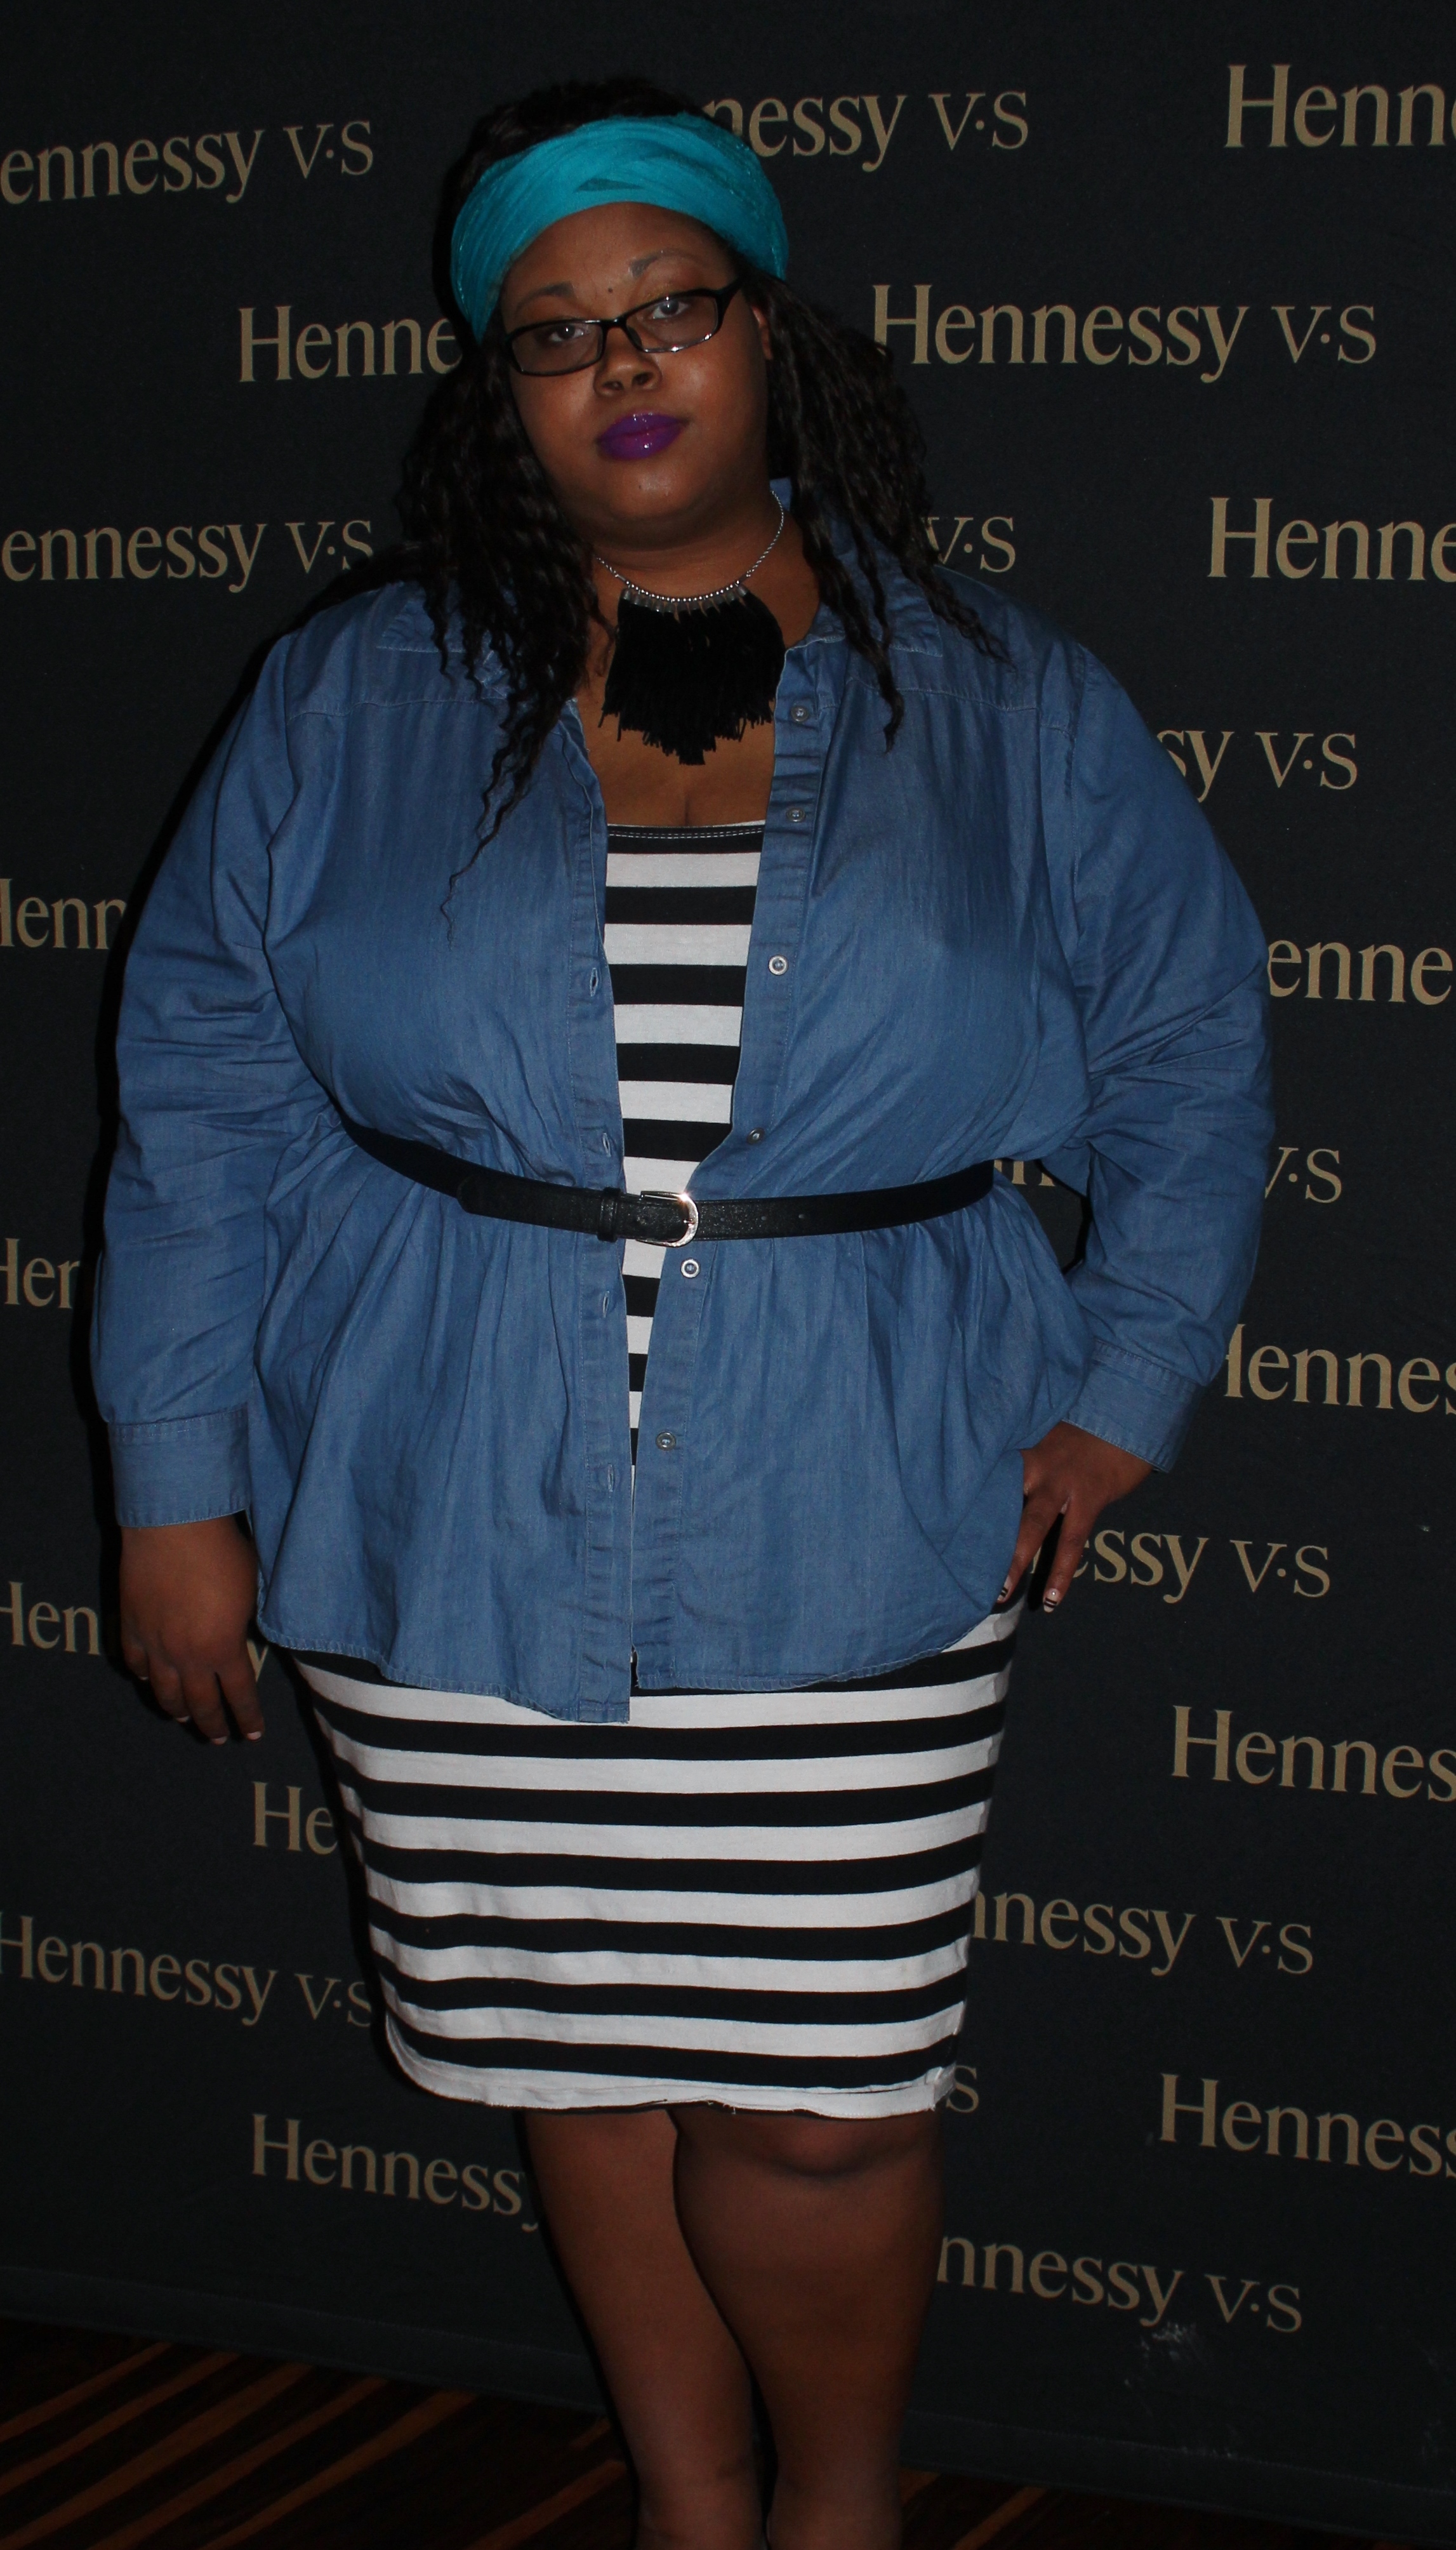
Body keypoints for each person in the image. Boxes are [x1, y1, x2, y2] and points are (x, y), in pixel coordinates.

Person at [93, 77, 1271, 2550]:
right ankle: (690, 2507)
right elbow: (204, 1090)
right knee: (578, 2053)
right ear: (494, 389)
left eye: (670, 308)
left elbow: (1186, 1041)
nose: (621, 365)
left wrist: (1126, 1376)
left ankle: (836, 2513)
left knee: (822, 2098)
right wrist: (175, 1480)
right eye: (553, 330)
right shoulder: (354, 691)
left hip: (863, 1491)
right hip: (444, 1483)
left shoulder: (1006, 695)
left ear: (770, 335)